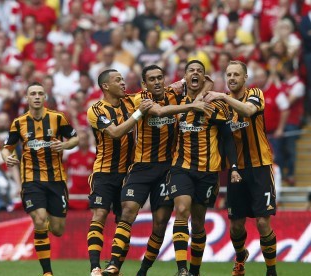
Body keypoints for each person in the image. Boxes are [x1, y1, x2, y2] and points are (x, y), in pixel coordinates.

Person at [102, 65, 213, 276]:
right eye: (151, 79)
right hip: (142, 167)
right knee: (128, 211)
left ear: (165, 79)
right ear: (144, 84)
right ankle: (114, 263)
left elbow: (206, 80)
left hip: (167, 169)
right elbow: (159, 111)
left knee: (161, 223)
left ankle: (143, 270)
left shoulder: (174, 92)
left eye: (160, 78)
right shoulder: (141, 98)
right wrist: (192, 106)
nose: (156, 82)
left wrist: (202, 89)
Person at [204, 60, 278, 276]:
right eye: (229, 75)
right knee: (236, 226)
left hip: (260, 167)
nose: (232, 78)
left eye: (236, 74)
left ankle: (271, 271)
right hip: (235, 170)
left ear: (245, 78)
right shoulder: (221, 106)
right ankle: (240, 258)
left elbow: (248, 111)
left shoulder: (255, 93)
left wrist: (222, 95)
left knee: (263, 222)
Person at [168, 60, 241, 276]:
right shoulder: (176, 101)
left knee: (199, 222)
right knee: (181, 210)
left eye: (200, 71)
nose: (195, 73)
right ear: (185, 76)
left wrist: (233, 166)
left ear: (204, 78)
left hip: (208, 171)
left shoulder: (216, 104)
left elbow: (228, 138)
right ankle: (182, 269)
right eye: (191, 70)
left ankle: (195, 271)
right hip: (181, 167)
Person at [1, 82, 79, 276]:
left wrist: (65, 145)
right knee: (40, 219)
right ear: (27, 98)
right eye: (32, 94)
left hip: (56, 180)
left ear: (45, 97)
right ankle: (47, 272)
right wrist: (6, 157)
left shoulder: (57, 118)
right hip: (31, 179)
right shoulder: (18, 123)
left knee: (58, 229)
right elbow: (6, 147)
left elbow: (75, 138)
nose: (36, 96)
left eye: (40, 93)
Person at [86, 69, 152, 276]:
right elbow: (114, 133)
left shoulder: (130, 102)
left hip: (129, 174)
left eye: (123, 79)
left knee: (124, 219)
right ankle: (95, 267)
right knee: (99, 214)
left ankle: (114, 266)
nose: (123, 83)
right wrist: (139, 113)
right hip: (104, 172)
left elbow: (158, 90)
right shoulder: (95, 110)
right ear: (106, 86)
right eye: (118, 80)